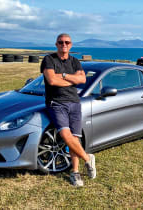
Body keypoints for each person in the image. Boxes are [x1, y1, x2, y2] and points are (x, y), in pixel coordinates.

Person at [40, 33, 96, 187]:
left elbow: (83, 80)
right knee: (66, 135)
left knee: (75, 139)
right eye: (61, 42)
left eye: (67, 42)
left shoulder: (75, 61)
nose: (64, 44)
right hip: (56, 103)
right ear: (56, 44)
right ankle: (87, 158)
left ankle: (75, 172)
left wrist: (63, 76)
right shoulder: (49, 59)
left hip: (75, 103)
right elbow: (51, 80)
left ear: (71, 45)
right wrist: (72, 80)